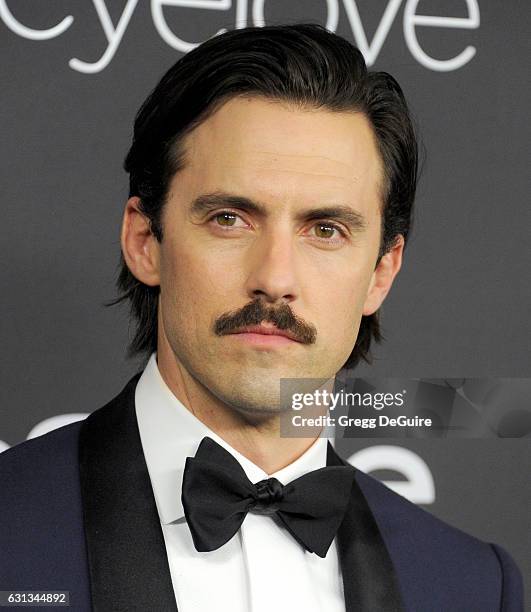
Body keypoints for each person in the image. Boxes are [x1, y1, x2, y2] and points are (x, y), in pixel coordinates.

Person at [0, 23, 523, 612]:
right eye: (229, 218)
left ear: (381, 271)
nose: (275, 278)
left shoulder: (471, 585)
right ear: (146, 239)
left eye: (326, 230)